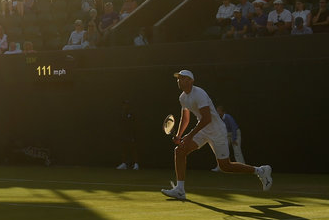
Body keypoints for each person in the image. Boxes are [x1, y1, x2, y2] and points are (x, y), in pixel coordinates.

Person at [161, 70, 272, 201]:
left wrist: (190, 135)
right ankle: (180, 190)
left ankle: (260, 171)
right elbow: (185, 118)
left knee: (225, 166)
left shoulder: (199, 94)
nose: (179, 80)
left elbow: (207, 118)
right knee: (180, 151)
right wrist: (179, 135)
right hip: (202, 130)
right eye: (178, 78)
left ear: (191, 81)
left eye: (182, 78)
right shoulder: (182, 97)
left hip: (217, 131)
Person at [211, 104, 244, 170]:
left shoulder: (228, 117)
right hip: (227, 134)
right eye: (217, 111)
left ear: (223, 112)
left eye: (218, 111)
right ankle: (220, 167)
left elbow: (233, 128)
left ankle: (242, 168)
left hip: (235, 133)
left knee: (237, 152)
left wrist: (234, 139)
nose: (217, 112)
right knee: (222, 151)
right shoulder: (218, 119)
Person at [116, 100, 139, 170]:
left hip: (131, 134)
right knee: (124, 149)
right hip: (123, 134)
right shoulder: (122, 113)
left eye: (126, 105)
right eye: (124, 105)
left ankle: (136, 164)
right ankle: (124, 164)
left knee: (133, 149)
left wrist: (133, 135)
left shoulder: (131, 113)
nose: (124, 106)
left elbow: (133, 125)